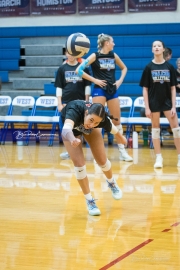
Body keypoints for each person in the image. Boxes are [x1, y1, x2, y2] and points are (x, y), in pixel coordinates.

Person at [60, 100, 127, 215]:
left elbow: (113, 128)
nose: (92, 124)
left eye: (96, 123)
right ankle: (90, 201)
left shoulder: (98, 121)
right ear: (86, 112)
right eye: (91, 120)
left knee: (102, 160)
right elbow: (66, 129)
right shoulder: (74, 110)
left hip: (88, 131)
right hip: (71, 131)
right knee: (79, 166)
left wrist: (121, 137)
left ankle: (112, 183)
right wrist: (73, 139)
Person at [76, 33, 133, 162]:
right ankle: (98, 154)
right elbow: (79, 70)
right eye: (112, 41)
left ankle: (122, 152)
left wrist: (119, 81)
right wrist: (94, 80)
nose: (114, 44)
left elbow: (124, 68)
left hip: (112, 91)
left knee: (117, 121)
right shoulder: (95, 56)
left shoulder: (113, 55)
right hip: (99, 91)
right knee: (97, 123)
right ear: (107, 42)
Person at [140, 40, 180, 168]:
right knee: (156, 130)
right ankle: (158, 158)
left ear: (163, 49)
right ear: (152, 50)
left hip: (168, 102)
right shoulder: (148, 67)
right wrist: (147, 107)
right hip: (154, 103)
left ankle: (179, 157)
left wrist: (173, 105)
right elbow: (145, 89)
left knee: (177, 129)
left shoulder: (169, 67)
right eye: (154, 46)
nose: (156, 47)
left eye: (159, 46)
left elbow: (173, 88)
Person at [55, 50, 91, 159]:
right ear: (66, 54)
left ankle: (85, 150)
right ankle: (70, 151)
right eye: (68, 53)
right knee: (67, 128)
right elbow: (59, 87)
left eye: (72, 53)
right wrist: (59, 104)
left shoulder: (83, 68)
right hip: (66, 105)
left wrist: (87, 101)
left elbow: (87, 86)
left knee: (81, 128)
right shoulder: (62, 69)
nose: (70, 55)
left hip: (80, 104)